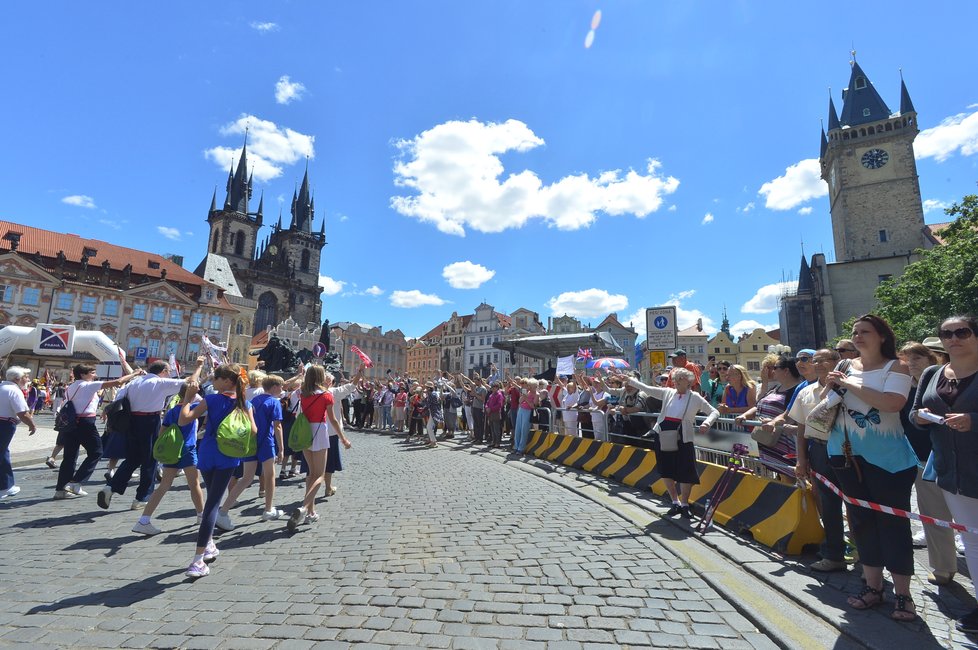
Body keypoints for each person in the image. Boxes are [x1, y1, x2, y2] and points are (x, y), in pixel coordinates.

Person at [825, 314, 916, 622]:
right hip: (845, 454)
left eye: (865, 332)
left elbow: (892, 403)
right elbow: (829, 404)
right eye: (855, 332)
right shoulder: (843, 366)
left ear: (881, 336)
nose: (858, 336)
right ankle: (873, 587)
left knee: (893, 524)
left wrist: (848, 384)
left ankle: (903, 594)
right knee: (862, 522)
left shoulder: (897, 367)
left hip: (888, 458)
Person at [912, 315, 978, 633]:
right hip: (951, 471)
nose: (954, 338)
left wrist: (973, 420)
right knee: (972, 540)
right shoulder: (932, 372)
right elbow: (914, 412)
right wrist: (923, 418)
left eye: (962, 332)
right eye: (946, 333)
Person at [177, 364, 256, 578]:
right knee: (212, 505)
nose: (213, 381)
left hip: (208, 452)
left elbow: (184, 419)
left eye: (216, 378)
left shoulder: (210, 400)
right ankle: (197, 560)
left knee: (211, 499)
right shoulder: (245, 404)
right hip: (228, 455)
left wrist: (188, 399)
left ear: (227, 381)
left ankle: (208, 545)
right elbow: (254, 431)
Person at [619, 368, 718, 518]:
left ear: (689, 381)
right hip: (664, 434)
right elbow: (647, 389)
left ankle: (685, 504)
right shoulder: (668, 392)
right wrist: (630, 380)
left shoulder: (695, 397)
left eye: (681, 378)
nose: (677, 381)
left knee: (686, 471)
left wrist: (706, 423)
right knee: (666, 469)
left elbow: (714, 412)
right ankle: (675, 502)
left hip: (684, 437)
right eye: (675, 378)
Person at [899, 341, 957, 585]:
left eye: (916, 360)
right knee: (932, 513)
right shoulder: (902, 387)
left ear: (933, 360)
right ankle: (943, 568)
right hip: (913, 457)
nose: (911, 365)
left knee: (947, 513)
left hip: (940, 455)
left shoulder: (939, 386)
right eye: (907, 360)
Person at [788, 348, 847, 572]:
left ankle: (864, 553)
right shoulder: (806, 392)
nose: (820, 364)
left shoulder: (848, 388)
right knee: (828, 504)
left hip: (847, 449)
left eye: (826, 360)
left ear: (837, 362)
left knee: (854, 503)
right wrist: (801, 460)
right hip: (819, 450)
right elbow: (802, 429)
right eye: (816, 361)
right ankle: (834, 553)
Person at [97, 360, 184, 509]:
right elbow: (188, 383)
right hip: (150, 421)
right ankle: (142, 497)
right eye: (168, 371)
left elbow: (118, 398)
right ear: (163, 371)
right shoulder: (160, 382)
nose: (169, 373)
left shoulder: (134, 382)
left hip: (131, 421)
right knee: (150, 460)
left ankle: (111, 487)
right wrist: (201, 368)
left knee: (132, 458)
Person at [57, 362, 142, 501]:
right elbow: (119, 381)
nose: (95, 375)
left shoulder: (71, 386)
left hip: (71, 423)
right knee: (96, 452)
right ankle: (75, 481)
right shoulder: (87, 385)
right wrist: (135, 374)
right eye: (92, 373)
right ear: (83, 375)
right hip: (85, 423)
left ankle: (61, 489)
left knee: (69, 456)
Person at [131, 381, 206, 535]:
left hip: (171, 451)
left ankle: (144, 519)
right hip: (187, 450)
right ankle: (201, 515)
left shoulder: (171, 411)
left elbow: (162, 431)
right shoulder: (192, 409)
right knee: (194, 485)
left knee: (164, 485)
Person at [216, 374, 287, 529]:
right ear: (274, 387)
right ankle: (268, 509)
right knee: (270, 476)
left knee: (246, 478)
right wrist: (281, 448)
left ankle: (223, 510)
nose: (282, 389)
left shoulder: (255, 400)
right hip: (266, 442)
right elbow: (278, 426)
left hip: (251, 441)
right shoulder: (274, 402)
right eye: (281, 386)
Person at [286, 365, 343, 533]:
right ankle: (304, 508)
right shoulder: (326, 395)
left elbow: (288, 388)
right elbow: (332, 420)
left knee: (310, 474)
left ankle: (311, 512)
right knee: (320, 475)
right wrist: (343, 438)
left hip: (304, 432)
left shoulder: (302, 394)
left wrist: (299, 374)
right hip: (319, 431)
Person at [738, 355, 804, 479]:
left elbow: (793, 415)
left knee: (788, 477)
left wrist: (774, 422)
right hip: (770, 439)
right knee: (778, 476)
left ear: (786, 371)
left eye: (775, 367)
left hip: (787, 440)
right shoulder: (776, 388)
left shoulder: (798, 390)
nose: (772, 371)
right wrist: (745, 415)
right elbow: (758, 404)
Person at [0, 366, 37, 499]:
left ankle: (7, 485)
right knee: (1, 453)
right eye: (25, 377)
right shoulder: (14, 391)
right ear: (18, 378)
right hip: (5, 424)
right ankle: (4, 487)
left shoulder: (2, 387)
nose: (28, 379)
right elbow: (22, 413)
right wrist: (32, 425)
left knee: (4, 453)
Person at [514, 378, 538, 453]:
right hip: (521, 410)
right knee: (518, 429)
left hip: (528, 412)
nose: (529, 387)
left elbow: (533, 406)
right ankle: (516, 446)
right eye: (529, 386)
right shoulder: (527, 392)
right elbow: (520, 401)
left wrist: (526, 398)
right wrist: (523, 396)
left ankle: (521, 448)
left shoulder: (536, 394)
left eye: (530, 386)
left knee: (524, 430)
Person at [485, 382, 505, 448]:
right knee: (492, 429)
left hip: (495, 413)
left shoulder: (499, 395)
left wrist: (491, 409)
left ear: (497, 388)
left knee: (496, 429)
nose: (492, 389)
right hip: (490, 413)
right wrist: (487, 407)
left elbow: (499, 405)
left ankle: (497, 442)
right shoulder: (491, 395)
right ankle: (493, 441)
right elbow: (487, 403)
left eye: (494, 387)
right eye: (492, 387)